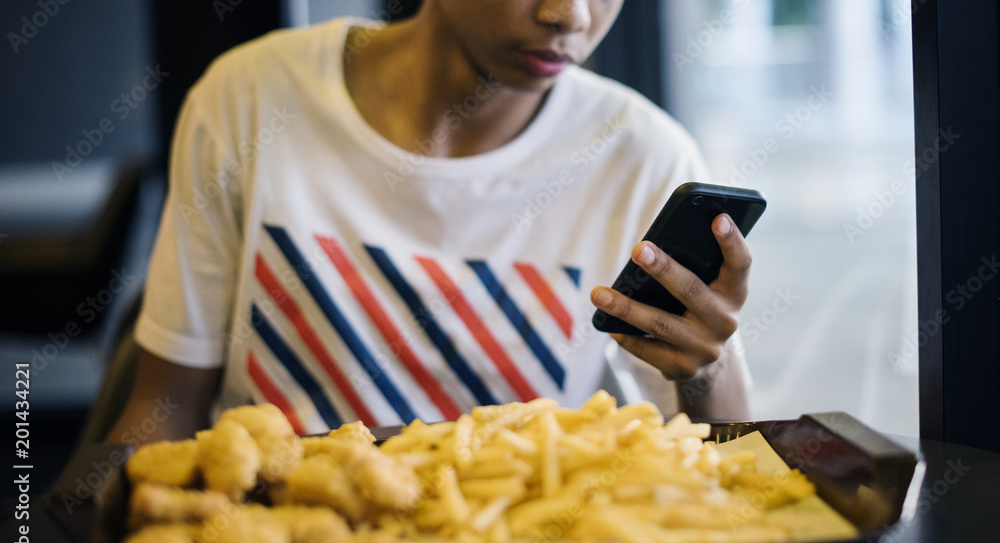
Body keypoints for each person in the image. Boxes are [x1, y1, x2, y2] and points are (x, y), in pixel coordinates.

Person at [105, 0, 753, 444]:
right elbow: (164, 407)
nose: (571, 15)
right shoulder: (248, 99)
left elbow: (726, 466)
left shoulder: (640, 155)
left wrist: (704, 368)